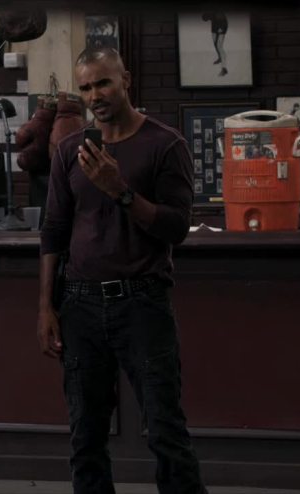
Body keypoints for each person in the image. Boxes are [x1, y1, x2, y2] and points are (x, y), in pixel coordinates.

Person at [38, 47, 207, 494]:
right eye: (86, 87)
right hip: (80, 305)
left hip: (142, 302)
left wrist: (121, 192)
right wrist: (45, 307)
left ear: (125, 80)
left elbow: (176, 228)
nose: (95, 95)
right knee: (85, 436)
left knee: (166, 431)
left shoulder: (165, 144)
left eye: (103, 83)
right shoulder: (71, 150)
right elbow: (53, 232)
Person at [202, 12, 228, 76]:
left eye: (207, 19)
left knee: (219, 47)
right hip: (214, 28)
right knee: (215, 44)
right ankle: (220, 58)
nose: (207, 20)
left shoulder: (218, 13)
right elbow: (207, 17)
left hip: (222, 27)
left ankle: (224, 69)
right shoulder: (210, 13)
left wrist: (221, 28)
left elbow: (224, 20)